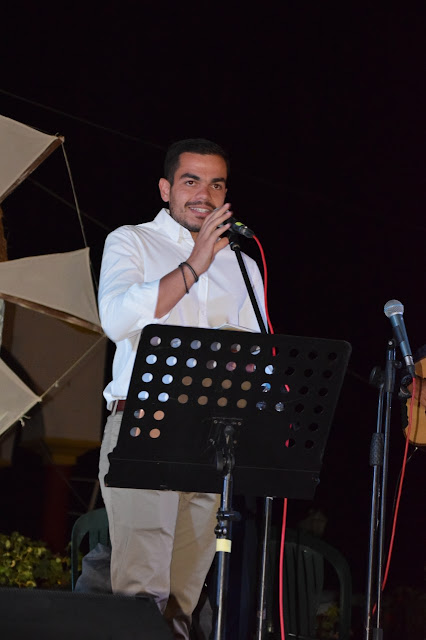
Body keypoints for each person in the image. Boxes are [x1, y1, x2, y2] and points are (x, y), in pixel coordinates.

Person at [97, 138, 266, 639]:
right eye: (191, 182)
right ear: (165, 189)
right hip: (144, 423)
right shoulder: (131, 241)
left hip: (212, 437)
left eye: (216, 185)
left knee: (183, 599)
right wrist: (195, 262)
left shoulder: (243, 265)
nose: (204, 195)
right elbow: (117, 320)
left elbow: (256, 355)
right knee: (142, 592)